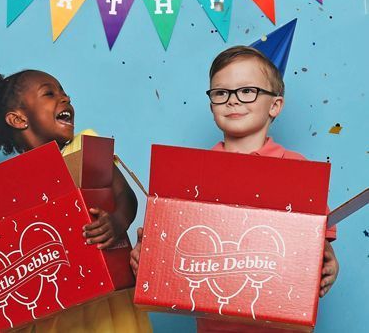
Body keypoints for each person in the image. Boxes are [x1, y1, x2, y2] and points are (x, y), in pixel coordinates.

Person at [130, 46, 339, 329]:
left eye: (247, 91)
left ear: (275, 105)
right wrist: (147, 258)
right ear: (211, 104)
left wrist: (328, 264)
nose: (233, 101)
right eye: (221, 93)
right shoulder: (192, 176)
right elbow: (173, 251)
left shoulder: (297, 170)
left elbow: (318, 245)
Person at [0, 69, 152, 333]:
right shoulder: (7, 188)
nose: (65, 97)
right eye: (49, 93)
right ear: (18, 119)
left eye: (63, 92)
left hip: (107, 311)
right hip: (51, 318)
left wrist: (116, 222)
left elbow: (124, 196)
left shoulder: (84, 147)